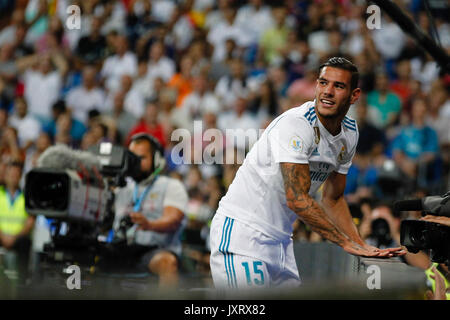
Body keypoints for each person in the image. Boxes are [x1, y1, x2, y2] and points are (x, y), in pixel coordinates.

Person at [209, 57, 405, 290]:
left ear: (354, 95)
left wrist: (360, 244)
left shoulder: (350, 133)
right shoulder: (297, 124)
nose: (328, 92)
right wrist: (345, 242)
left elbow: (333, 198)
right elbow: (297, 198)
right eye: (323, 83)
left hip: (280, 241)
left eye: (338, 86)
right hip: (242, 233)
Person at [113, 133, 188, 287]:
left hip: (153, 251)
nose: (135, 163)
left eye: (141, 158)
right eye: (132, 158)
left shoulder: (171, 186)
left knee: (167, 262)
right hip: (121, 249)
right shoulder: (122, 189)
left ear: (157, 160)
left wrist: (149, 225)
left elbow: (173, 220)